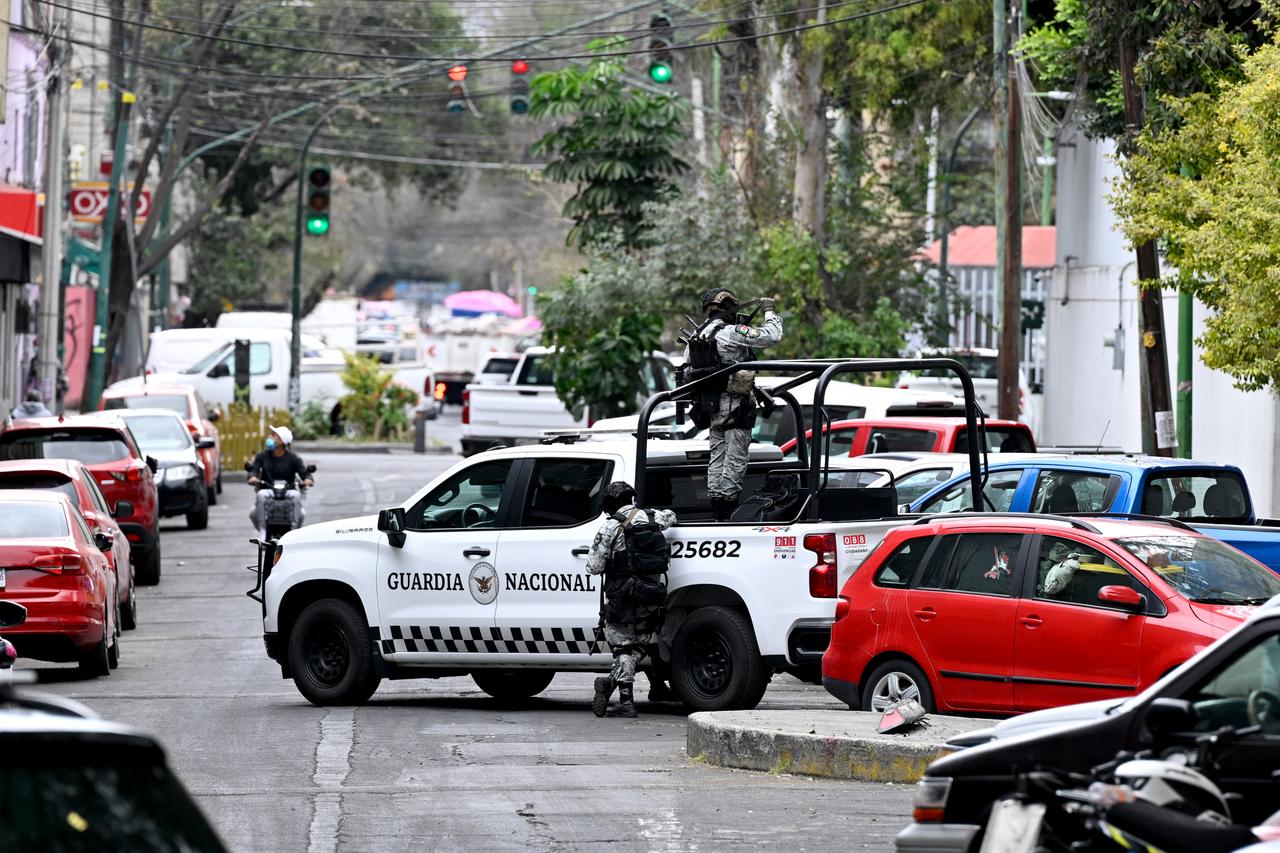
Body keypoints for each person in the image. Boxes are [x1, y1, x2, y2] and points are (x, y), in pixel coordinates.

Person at [683, 288, 783, 520]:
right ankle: (727, 511)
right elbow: (771, 336)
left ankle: (717, 508)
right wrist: (769, 312)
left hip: (711, 407)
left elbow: (685, 374)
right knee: (735, 459)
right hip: (736, 406)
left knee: (717, 457)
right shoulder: (729, 332)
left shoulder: (697, 336)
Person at [587, 481, 676, 718]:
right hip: (650, 592)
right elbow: (671, 516)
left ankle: (624, 699)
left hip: (623, 595)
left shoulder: (610, 527)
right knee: (642, 643)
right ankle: (619, 688)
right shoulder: (652, 517)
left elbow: (594, 567)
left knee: (623, 647)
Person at [247, 426, 314, 539]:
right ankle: (263, 531)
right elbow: (254, 469)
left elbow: (304, 473)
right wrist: (252, 477)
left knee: (297, 498)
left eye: (274, 436)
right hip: (267, 490)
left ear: (282, 441)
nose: (270, 437)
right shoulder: (262, 456)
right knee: (259, 499)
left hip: (288, 492)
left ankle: (293, 533)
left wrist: (308, 479)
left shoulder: (293, 458)